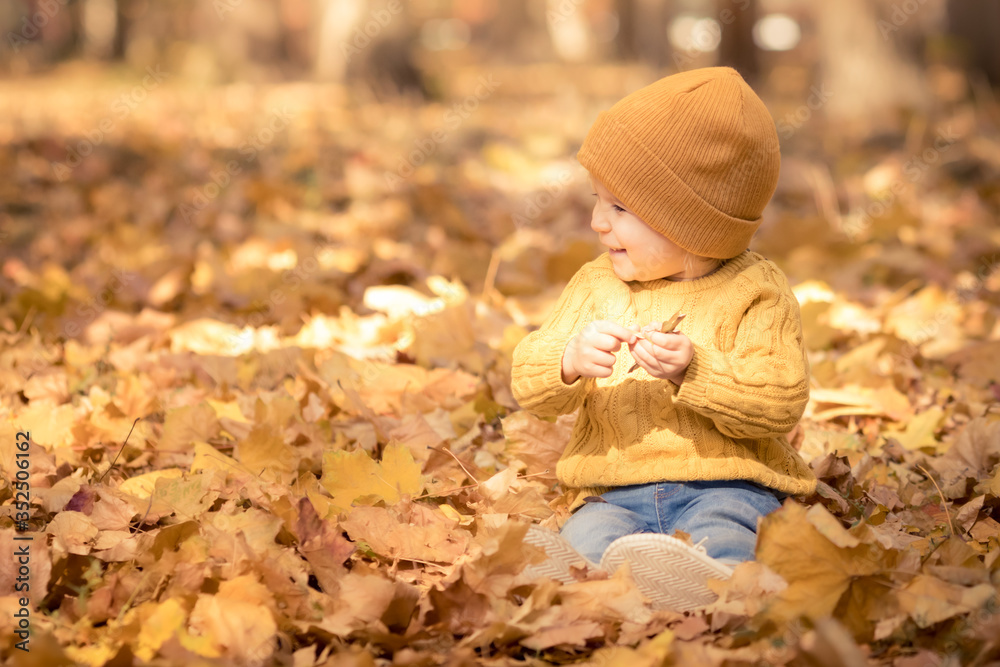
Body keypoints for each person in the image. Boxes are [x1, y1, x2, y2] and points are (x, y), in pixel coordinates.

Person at [509, 67, 817, 612]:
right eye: (598, 200)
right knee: (592, 537)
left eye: (620, 208)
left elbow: (780, 400)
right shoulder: (595, 283)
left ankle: (719, 589)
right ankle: (594, 581)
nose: (598, 222)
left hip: (727, 484)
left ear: (693, 225)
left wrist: (695, 373)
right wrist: (569, 359)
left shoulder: (755, 290)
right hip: (612, 488)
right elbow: (529, 385)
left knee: (728, 534)